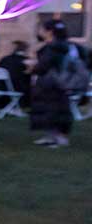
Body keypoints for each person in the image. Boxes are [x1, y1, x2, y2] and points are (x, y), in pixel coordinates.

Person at [29, 19, 87, 147]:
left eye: (42, 29)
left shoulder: (53, 47)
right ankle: (52, 137)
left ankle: (57, 138)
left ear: (49, 32)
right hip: (64, 83)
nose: (40, 32)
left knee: (51, 110)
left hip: (52, 84)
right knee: (59, 110)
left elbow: (44, 66)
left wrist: (33, 67)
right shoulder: (70, 46)